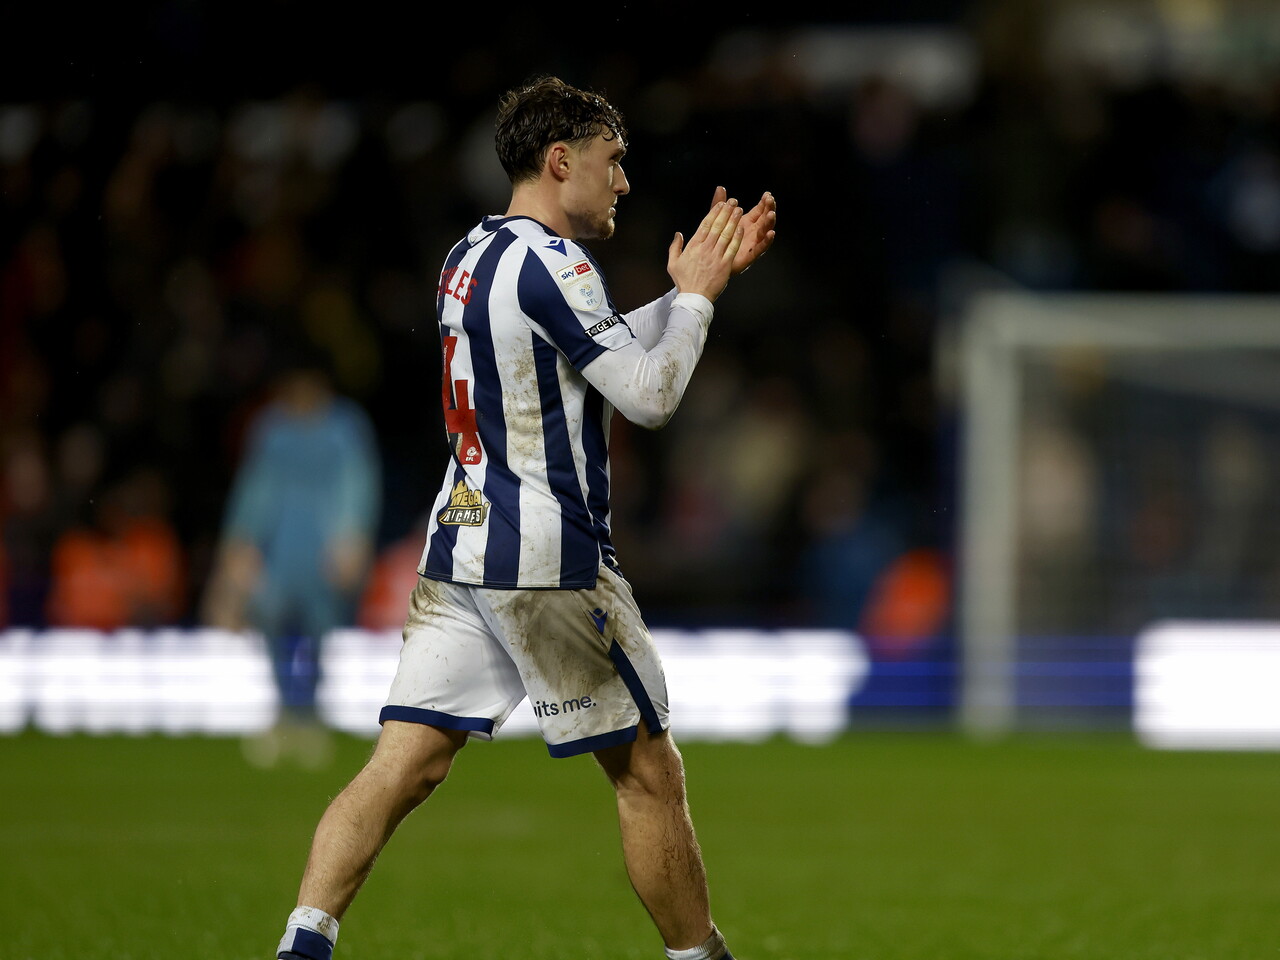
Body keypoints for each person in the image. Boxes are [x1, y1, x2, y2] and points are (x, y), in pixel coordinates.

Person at [273, 76, 776, 960]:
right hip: (548, 562)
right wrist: (693, 299)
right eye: (612, 162)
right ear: (560, 160)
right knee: (649, 775)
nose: (623, 182)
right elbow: (648, 395)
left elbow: (584, 352)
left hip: (460, 549)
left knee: (402, 767)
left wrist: (697, 288)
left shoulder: (468, 255)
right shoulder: (557, 263)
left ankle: (301, 946)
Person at [203, 348, 381, 767]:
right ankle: (284, 711)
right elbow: (255, 488)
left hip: (323, 549)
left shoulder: (344, 426)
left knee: (319, 630)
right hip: (281, 549)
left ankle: (311, 713)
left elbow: (358, 483)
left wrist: (353, 537)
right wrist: (240, 542)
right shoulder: (273, 429)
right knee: (271, 623)